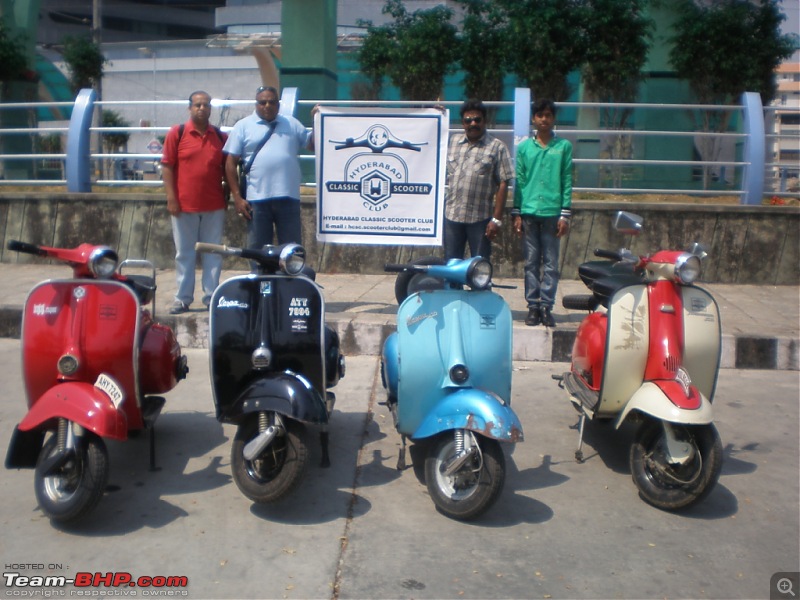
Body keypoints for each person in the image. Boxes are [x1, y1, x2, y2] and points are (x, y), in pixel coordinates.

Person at [224, 86, 314, 253]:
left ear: (278, 105)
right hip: (256, 201)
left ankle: (288, 280)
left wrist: (317, 120)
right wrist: (237, 197)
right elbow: (230, 163)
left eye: (272, 102)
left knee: (291, 251)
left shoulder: (291, 123)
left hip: (288, 198)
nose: (267, 106)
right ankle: (260, 279)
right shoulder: (242, 126)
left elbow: (312, 145)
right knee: (258, 252)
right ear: (256, 104)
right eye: (262, 102)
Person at [161, 90, 228, 315]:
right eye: (198, 105)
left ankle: (212, 296)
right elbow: (167, 167)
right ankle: (182, 298)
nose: (202, 108)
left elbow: (229, 168)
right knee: (184, 254)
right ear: (190, 108)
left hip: (214, 205)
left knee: (213, 253)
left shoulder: (220, 136)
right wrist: (171, 197)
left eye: (206, 105)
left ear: (210, 109)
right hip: (183, 206)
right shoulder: (177, 133)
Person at [512, 98, 573, 328]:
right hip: (529, 212)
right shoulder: (526, 148)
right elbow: (520, 180)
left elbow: (566, 179)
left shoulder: (563, 147)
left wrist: (565, 214)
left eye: (548, 115)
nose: (544, 119)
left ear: (553, 118)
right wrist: (516, 212)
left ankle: (547, 306)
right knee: (530, 262)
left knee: (551, 263)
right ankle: (533, 307)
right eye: (540, 115)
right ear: (533, 119)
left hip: (552, 213)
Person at [444, 99, 513, 262]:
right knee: (451, 266)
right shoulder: (452, 142)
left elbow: (503, 183)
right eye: (468, 120)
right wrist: (435, 113)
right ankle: (454, 289)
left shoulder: (497, 147)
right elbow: (431, 139)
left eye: (477, 119)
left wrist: (496, 220)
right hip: (452, 217)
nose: (473, 123)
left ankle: (479, 289)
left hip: (480, 220)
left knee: (479, 267)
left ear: (484, 121)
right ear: (463, 123)